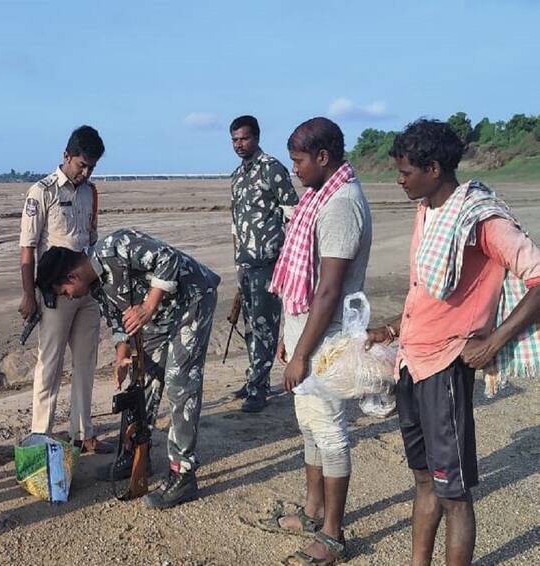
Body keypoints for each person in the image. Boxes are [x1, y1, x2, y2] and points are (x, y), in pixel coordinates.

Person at [366, 119, 540, 566]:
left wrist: (493, 342)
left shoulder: (481, 218)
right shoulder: (427, 210)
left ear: (435, 168)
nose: (399, 179)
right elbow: (426, 290)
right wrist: (392, 330)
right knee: (424, 480)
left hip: (444, 366)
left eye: (406, 172)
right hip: (412, 361)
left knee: (455, 493)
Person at [36, 228, 220, 509]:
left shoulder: (116, 245)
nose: (69, 298)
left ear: (71, 276)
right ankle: (136, 456)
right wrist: (123, 353)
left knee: (179, 383)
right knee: (141, 380)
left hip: (191, 299)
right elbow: (118, 318)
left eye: (65, 292)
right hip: (160, 314)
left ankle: (183, 475)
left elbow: (167, 258)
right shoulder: (95, 284)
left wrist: (147, 307)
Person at [263, 118, 371, 565]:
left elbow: (328, 290)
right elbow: (303, 285)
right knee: (309, 426)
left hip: (325, 343)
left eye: (299, 161)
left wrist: (303, 350)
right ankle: (312, 512)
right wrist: (290, 337)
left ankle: (332, 535)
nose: (295, 170)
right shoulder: (316, 198)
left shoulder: (341, 205)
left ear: (323, 157)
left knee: (330, 431)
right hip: (306, 334)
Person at [18, 125, 111, 454]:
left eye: (91, 168)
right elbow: (27, 249)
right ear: (66, 156)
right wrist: (29, 294)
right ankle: (41, 434)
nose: (85, 173)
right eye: (81, 165)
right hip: (55, 292)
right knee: (50, 363)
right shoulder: (41, 192)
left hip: (86, 289)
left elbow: (92, 239)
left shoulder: (90, 192)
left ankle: (82, 433)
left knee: (86, 362)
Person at [229, 115, 298, 412]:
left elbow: (293, 213)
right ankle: (254, 377)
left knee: (265, 326)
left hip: (269, 262)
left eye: (243, 139)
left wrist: (290, 258)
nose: (239, 145)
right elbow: (236, 223)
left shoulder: (272, 169)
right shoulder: (237, 175)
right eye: (234, 140)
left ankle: (259, 388)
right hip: (245, 263)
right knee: (249, 326)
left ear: (256, 137)